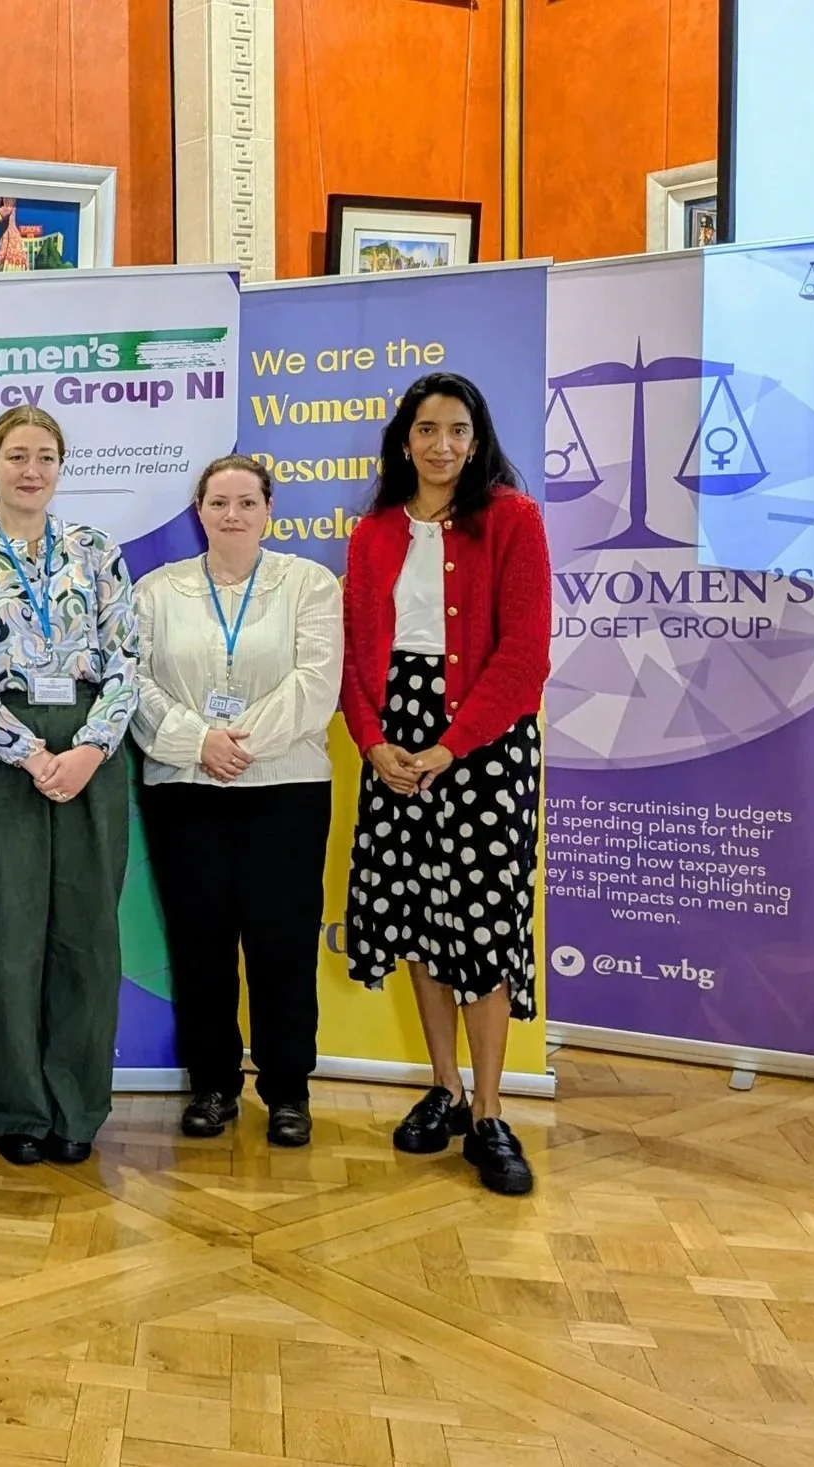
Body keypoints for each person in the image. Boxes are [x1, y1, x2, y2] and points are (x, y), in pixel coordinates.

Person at [341, 371, 552, 1197]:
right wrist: (374, 741)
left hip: (486, 744)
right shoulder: (373, 534)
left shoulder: (512, 520)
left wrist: (452, 746)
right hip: (397, 739)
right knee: (420, 918)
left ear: (476, 438)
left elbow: (525, 654)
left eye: (457, 430)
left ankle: (494, 1110)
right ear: (405, 440)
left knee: (483, 926)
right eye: (427, 429)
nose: (441, 445)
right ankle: (447, 1090)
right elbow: (360, 657)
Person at [0, 405, 138, 1168]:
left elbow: (127, 662)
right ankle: (15, 1105)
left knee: (88, 935)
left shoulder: (96, 551)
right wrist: (27, 754)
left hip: (92, 748)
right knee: (8, 935)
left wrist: (84, 750)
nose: (30, 469)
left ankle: (78, 1105)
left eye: (44, 456)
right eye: (15, 455)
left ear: (60, 467)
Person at [131, 455, 342, 1149]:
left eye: (246, 502)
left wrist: (240, 743)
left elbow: (317, 683)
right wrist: (198, 742)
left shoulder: (308, 584)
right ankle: (213, 1084)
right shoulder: (157, 591)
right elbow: (134, 682)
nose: (232, 515)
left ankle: (289, 1089)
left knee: (282, 944)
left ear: (268, 509)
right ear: (199, 510)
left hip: (284, 788)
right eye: (218, 502)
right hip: (186, 791)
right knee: (200, 946)